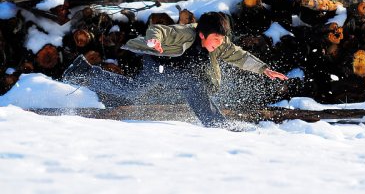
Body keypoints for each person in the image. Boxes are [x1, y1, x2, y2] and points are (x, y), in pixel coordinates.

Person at [63, 12, 287, 129]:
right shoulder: (186, 33)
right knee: (192, 83)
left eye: (221, 40)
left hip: (175, 73)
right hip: (158, 65)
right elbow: (158, 29)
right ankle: (215, 122)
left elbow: (239, 55)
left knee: (133, 90)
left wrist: (264, 69)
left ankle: (83, 72)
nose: (219, 44)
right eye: (216, 39)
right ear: (202, 34)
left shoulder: (221, 45)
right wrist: (153, 42)